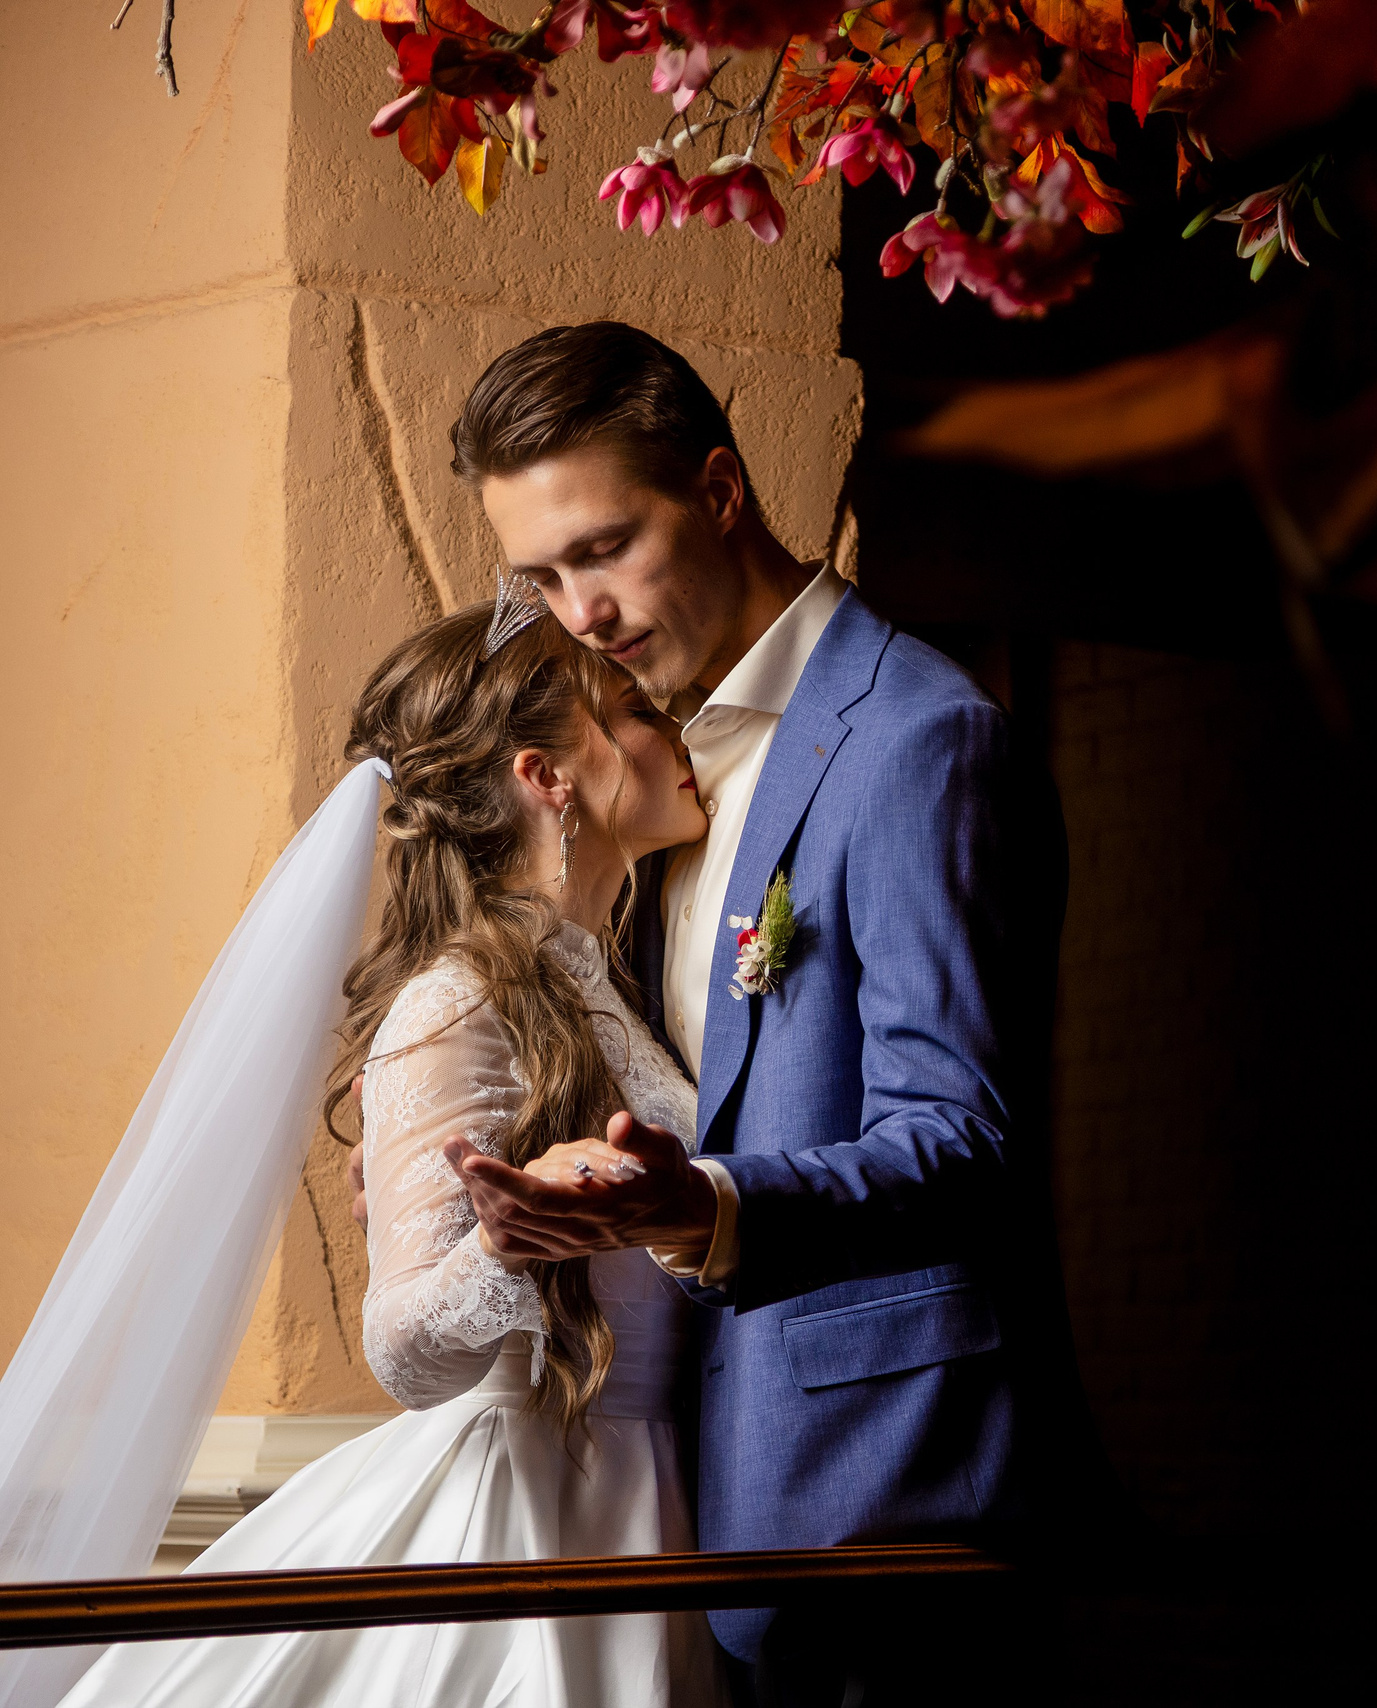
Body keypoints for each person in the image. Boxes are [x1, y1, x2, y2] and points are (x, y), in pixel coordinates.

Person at [424, 321, 1101, 1708]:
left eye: (606, 548)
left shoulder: (918, 739)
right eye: (542, 576)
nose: (580, 612)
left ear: (722, 490)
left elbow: (962, 1141)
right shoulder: (658, 772)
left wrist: (703, 1207)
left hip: (890, 1511)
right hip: (703, 1509)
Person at [49, 601, 728, 1708]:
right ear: (547, 777)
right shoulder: (454, 1001)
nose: (675, 725)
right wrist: (510, 1241)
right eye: (633, 710)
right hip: (531, 1517)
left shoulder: (602, 980)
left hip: (658, 1495)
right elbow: (402, 1349)